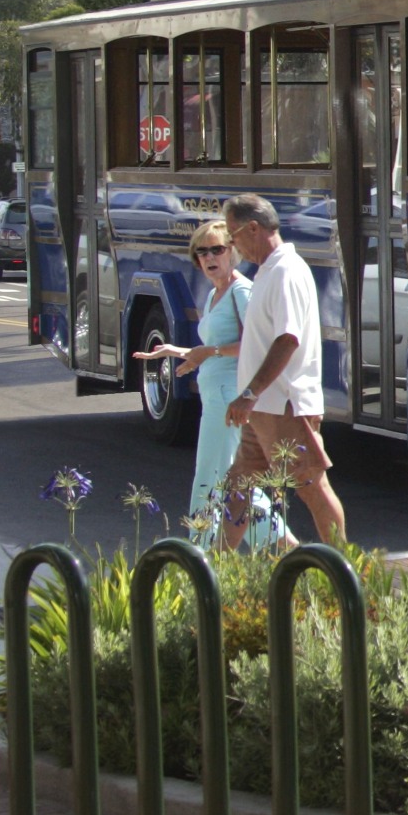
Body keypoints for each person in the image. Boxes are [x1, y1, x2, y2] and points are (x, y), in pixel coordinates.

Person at [133, 220, 290, 550]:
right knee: (231, 481)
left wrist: (211, 352)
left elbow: (257, 342)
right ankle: (284, 549)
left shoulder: (240, 291)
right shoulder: (215, 294)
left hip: (228, 397)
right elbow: (214, 347)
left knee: (210, 480)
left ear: (232, 251)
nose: (209, 257)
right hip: (215, 396)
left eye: (217, 249)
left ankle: (199, 558)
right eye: (201, 252)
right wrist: (184, 353)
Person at [220, 193, 346, 548]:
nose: (233, 245)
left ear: (254, 228)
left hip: (284, 405)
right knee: (239, 485)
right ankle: (217, 568)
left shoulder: (286, 272)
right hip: (264, 408)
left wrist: (249, 393)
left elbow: (287, 340)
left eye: (233, 235)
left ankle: (346, 571)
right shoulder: (268, 270)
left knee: (311, 486)